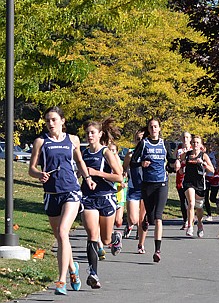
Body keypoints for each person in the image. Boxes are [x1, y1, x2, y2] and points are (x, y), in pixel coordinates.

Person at [29, 106, 96, 296]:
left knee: (63, 231)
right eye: (48, 120)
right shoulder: (40, 142)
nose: (50, 124)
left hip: (71, 191)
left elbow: (80, 162)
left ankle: (61, 280)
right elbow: (31, 168)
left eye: (54, 120)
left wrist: (88, 178)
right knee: (61, 238)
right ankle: (73, 268)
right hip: (52, 193)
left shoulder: (72, 140)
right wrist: (39, 174)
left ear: (62, 121)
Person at [81, 118, 123, 289]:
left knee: (105, 240)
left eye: (93, 132)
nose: (90, 135)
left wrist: (97, 173)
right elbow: (80, 171)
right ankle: (93, 273)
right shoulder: (83, 153)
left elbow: (119, 176)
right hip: (88, 197)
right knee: (92, 235)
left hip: (106, 197)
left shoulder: (106, 153)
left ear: (99, 134)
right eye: (87, 133)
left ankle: (115, 237)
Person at [130, 118, 180, 262]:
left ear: (159, 128)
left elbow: (170, 162)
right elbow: (133, 162)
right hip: (147, 184)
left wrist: (175, 163)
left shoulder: (164, 144)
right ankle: (146, 218)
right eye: (151, 127)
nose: (153, 129)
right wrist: (142, 163)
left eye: (156, 126)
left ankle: (157, 250)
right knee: (151, 218)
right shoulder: (144, 143)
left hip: (161, 183)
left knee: (158, 217)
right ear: (148, 129)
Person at [182, 135, 214, 237]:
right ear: (191, 144)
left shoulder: (203, 156)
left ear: (200, 145)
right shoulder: (187, 155)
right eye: (194, 142)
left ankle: (200, 223)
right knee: (191, 203)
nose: (195, 144)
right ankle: (190, 226)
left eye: (197, 143)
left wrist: (203, 163)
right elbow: (178, 163)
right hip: (188, 182)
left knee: (199, 207)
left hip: (200, 183)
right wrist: (180, 166)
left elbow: (212, 170)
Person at [122, 128, 148, 252]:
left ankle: (141, 244)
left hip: (147, 189)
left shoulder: (150, 152)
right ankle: (129, 224)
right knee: (133, 219)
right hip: (133, 188)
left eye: (142, 139)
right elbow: (123, 168)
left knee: (143, 220)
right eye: (138, 139)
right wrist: (125, 174)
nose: (140, 141)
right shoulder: (131, 153)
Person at [175, 132, 192, 230]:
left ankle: (191, 220)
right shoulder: (179, 150)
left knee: (190, 200)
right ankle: (185, 220)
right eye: (183, 137)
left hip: (190, 177)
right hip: (180, 177)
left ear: (190, 139)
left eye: (187, 137)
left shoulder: (193, 149)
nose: (185, 139)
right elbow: (175, 163)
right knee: (183, 200)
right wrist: (177, 163)